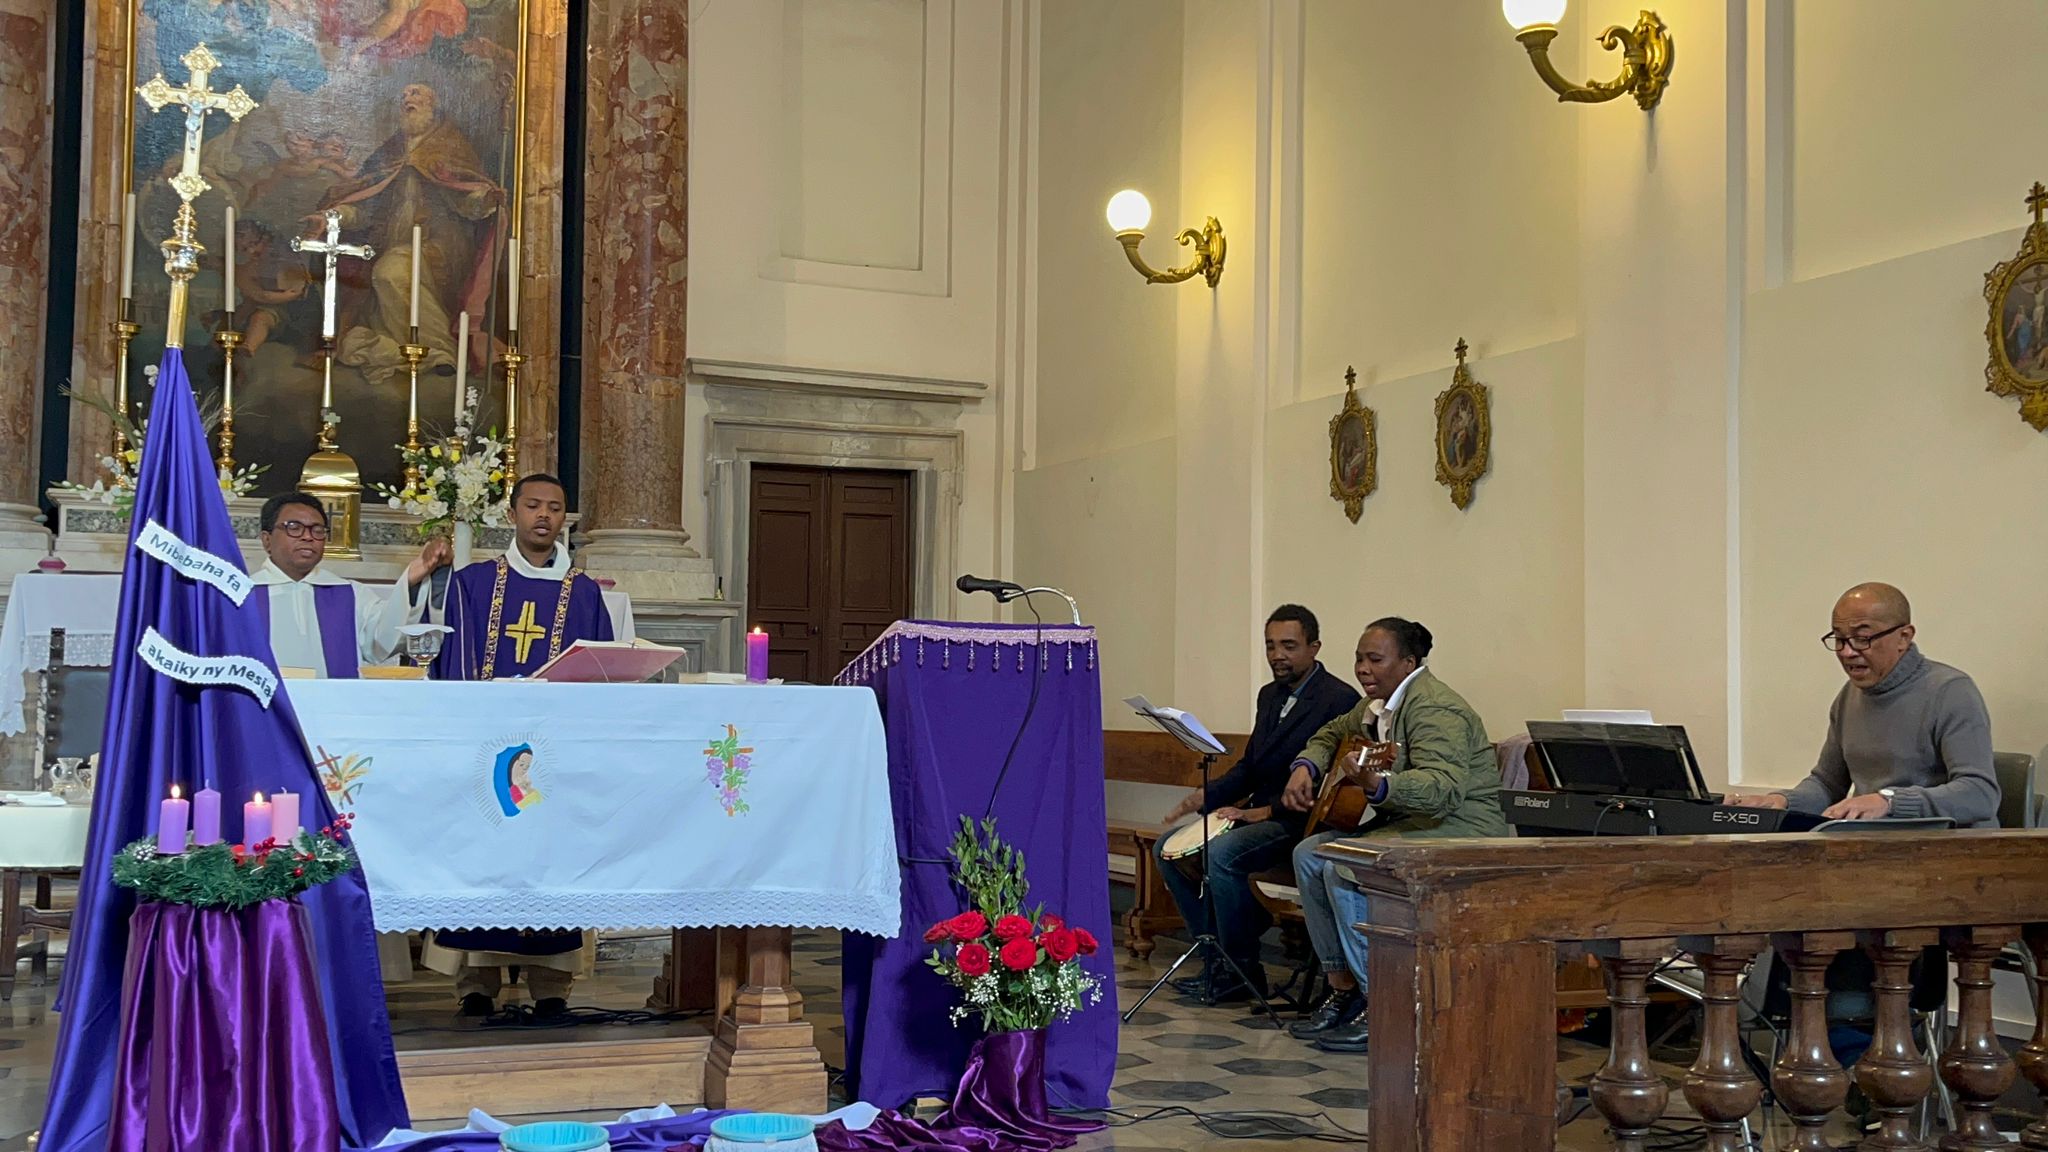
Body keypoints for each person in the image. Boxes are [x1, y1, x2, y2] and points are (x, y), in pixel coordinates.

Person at [424, 473, 613, 1017]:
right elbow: (453, 662)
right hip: (487, 745)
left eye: (554, 507)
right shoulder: (474, 583)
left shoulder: (585, 593)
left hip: (556, 749)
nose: (544, 516)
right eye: (533, 505)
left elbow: (602, 669)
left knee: (553, 855)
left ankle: (552, 984)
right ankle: (475, 980)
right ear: (512, 514)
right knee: (484, 851)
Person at [1282, 618, 1508, 1053]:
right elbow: (1331, 732)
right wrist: (1306, 766)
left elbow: (1443, 788)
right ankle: (1343, 987)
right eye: (1359, 659)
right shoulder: (1377, 706)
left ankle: (1385, 1002)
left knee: (1343, 866)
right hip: (1413, 823)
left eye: (1375, 659)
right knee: (1310, 854)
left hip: (1460, 827)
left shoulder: (1435, 708)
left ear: (1409, 662)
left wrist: (1379, 785)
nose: (1362, 669)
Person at [1153, 605, 1360, 1002]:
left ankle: (1241, 970)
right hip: (1255, 813)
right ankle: (1219, 957)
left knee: (1222, 853)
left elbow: (1330, 783)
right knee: (1167, 849)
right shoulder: (1270, 695)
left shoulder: (1338, 699)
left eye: (1289, 646)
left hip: (1298, 821)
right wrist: (1206, 796)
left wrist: (1264, 812)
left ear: (1314, 647)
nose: (1277, 655)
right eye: (1270, 645)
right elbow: (1250, 766)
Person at [1729, 582, 1998, 827]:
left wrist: (1888, 802)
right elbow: (1827, 784)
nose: (1847, 652)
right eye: (1839, 639)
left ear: (1904, 637)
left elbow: (1980, 793)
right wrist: (1781, 802)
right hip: (1873, 845)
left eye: (1862, 638)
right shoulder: (1849, 695)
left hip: (1949, 849)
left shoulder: (1951, 691)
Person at [321, 82, 505, 384]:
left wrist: (484, 200)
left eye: (416, 94)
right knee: (387, 282)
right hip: (391, 242)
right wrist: (334, 215)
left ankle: (441, 349)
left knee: (391, 273)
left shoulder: (450, 145)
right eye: (404, 95)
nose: (408, 99)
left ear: (433, 104)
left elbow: (467, 196)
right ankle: (420, 352)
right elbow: (366, 204)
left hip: (440, 245)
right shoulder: (390, 151)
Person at [250, 492, 449, 677]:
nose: (308, 536)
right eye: (294, 528)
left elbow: (383, 640)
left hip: (335, 702)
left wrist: (411, 579)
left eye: (317, 530)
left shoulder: (350, 594)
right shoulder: (244, 595)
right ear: (267, 539)